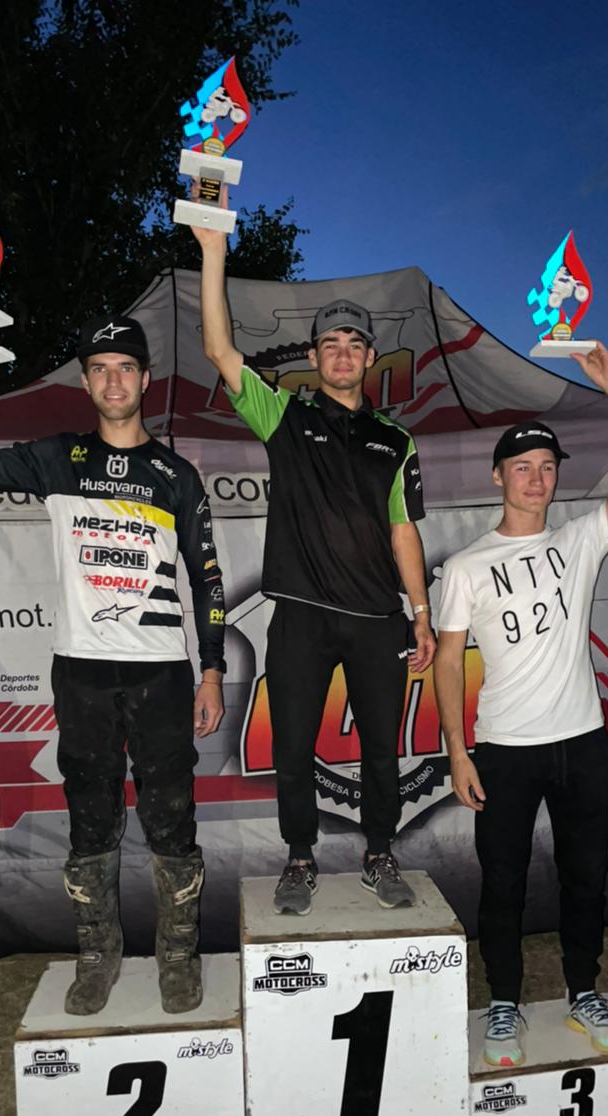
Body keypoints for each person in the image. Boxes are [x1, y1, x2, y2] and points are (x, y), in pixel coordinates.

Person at [0, 315, 225, 1016]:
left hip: (161, 672)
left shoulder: (177, 476)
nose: (113, 381)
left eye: (125, 368)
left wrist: (212, 670)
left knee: (171, 821)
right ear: (86, 383)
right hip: (83, 673)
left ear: (146, 380)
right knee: (91, 822)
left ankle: (177, 955)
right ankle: (97, 955)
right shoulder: (57, 457)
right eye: (99, 369)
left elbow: (208, 579)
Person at [434, 344, 608, 1066]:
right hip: (505, 749)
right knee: (502, 882)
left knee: (585, 878)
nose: (536, 479)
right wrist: (457, 752)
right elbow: (447, 660)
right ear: (498, 476)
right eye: (522, 467)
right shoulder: (467, 567)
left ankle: (582, 991)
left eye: (547, 466)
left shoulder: (579, 542)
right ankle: (504, 1001)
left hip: (582, 743)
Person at [192, 217, 434, 916]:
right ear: (315, 357)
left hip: (379, 619)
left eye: (354, 343)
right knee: (293, 746)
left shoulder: (396, 440)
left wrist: (421, 614)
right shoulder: (286, 418)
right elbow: (219, 349)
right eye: (331, 344)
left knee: (382, 751)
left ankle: (380, 853)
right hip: (300, 614)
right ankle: (299, 858)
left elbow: (404, 532)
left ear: (369, 357)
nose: (343, 354)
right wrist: (213, 252)